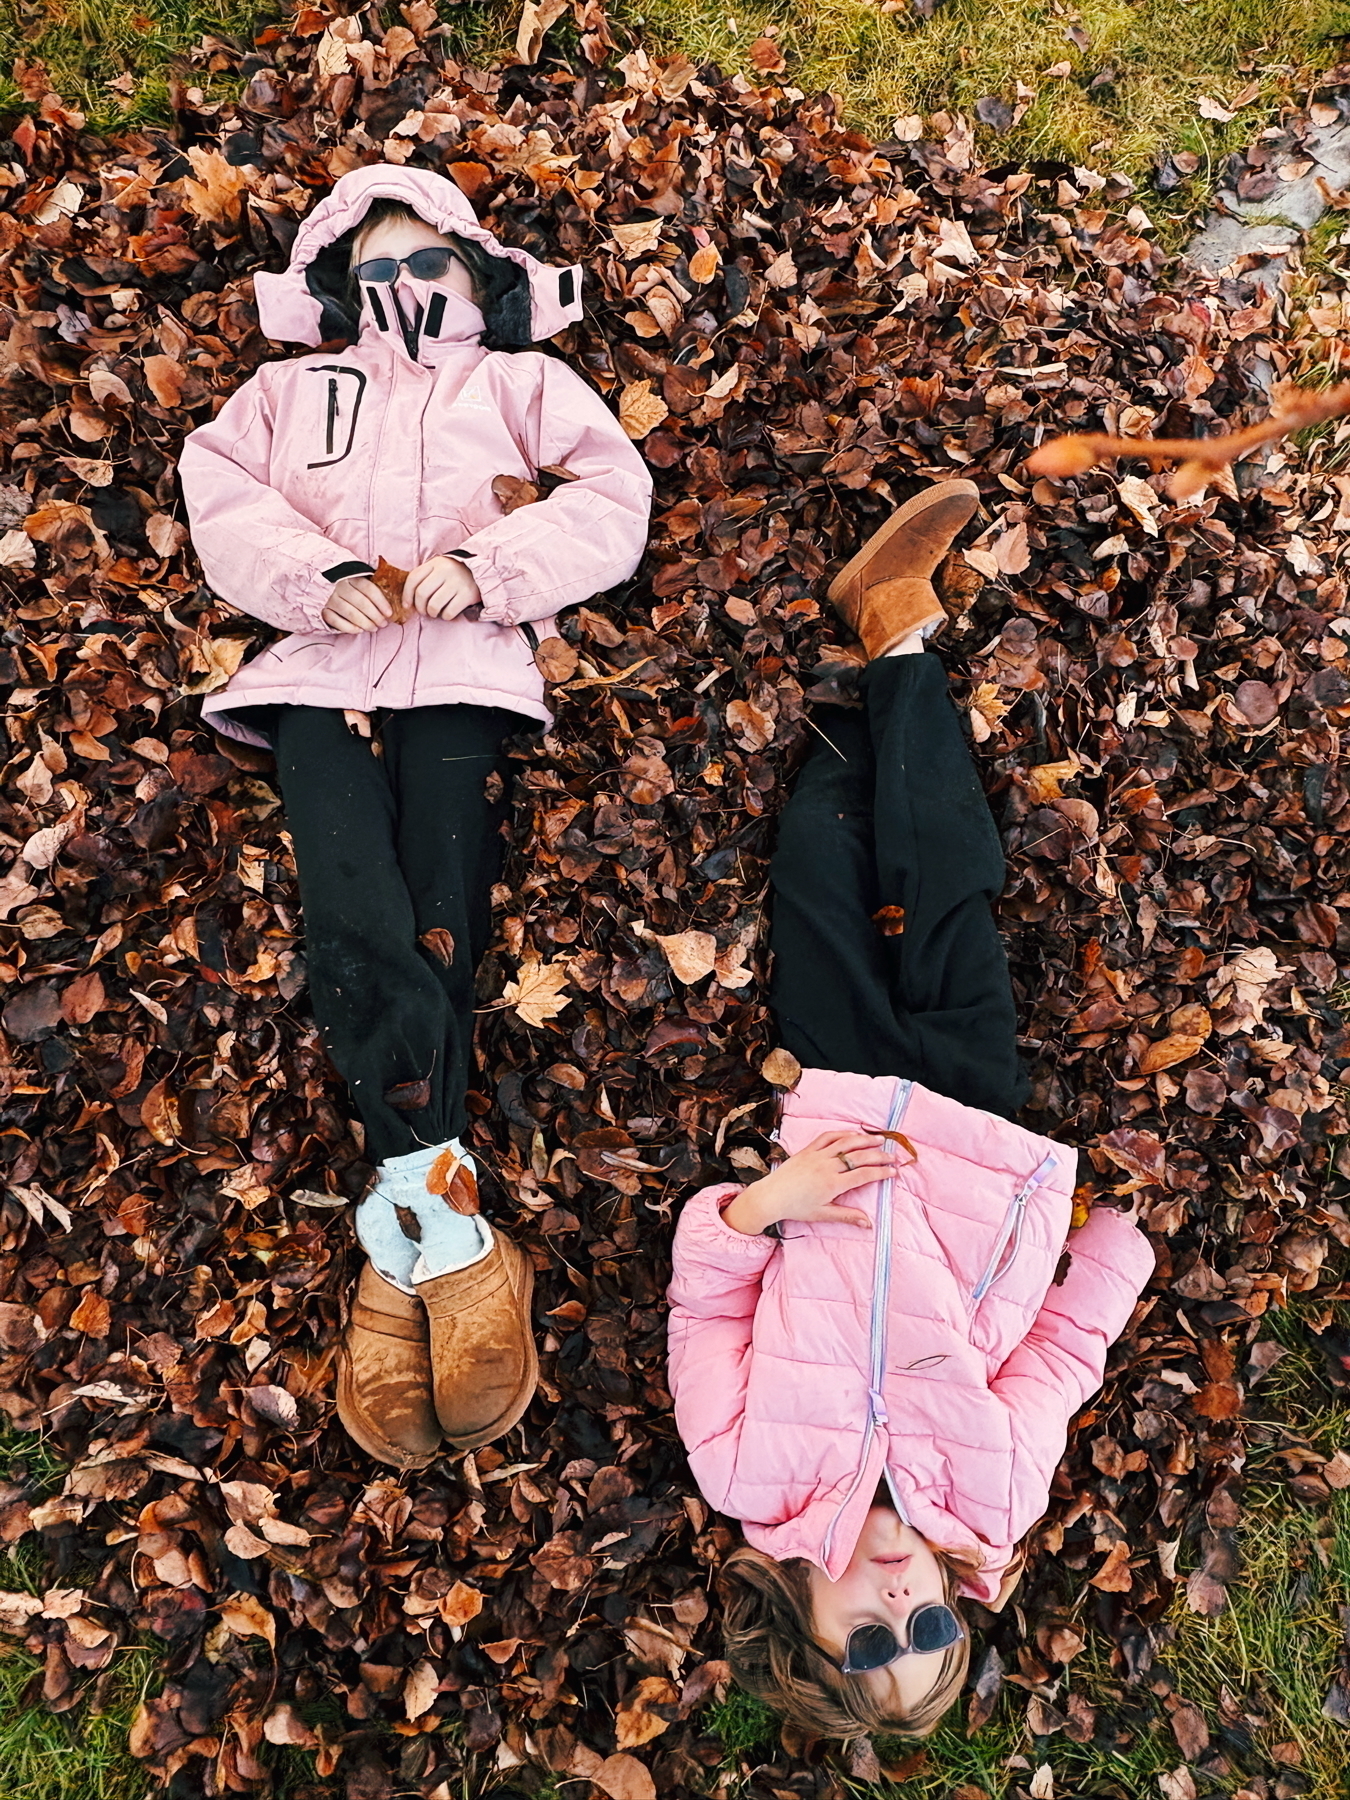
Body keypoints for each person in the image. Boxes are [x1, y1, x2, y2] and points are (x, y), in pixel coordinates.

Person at [178, 164, 653, 1470]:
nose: (402, 291)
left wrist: (493, 570)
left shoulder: (520, 384)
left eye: (425, 265)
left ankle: (405, 1246)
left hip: (462, 672)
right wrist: (313, 573)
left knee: (443, 917)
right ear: (339, 290)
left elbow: (610, 497)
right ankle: (444, 1231)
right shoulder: (290, 392)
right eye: (374, 271)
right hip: (320, 679)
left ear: (473, 275)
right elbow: (220, 486)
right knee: (355, 914)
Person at [665, 483, 1155, 1738]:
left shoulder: (740, 1475)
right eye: (928, 1633)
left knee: (819, 884)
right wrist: (1119, 1247)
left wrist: (768, 1204)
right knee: (947, 885)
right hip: (982, 1141)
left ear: (801, 1626)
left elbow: (707, 1299)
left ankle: (847, 708)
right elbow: (1059, 1361)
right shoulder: (995, 1501)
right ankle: (894, 638)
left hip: (837, 1124)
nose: (897, 1606)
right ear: (959, 1603)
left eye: (865, 1641)